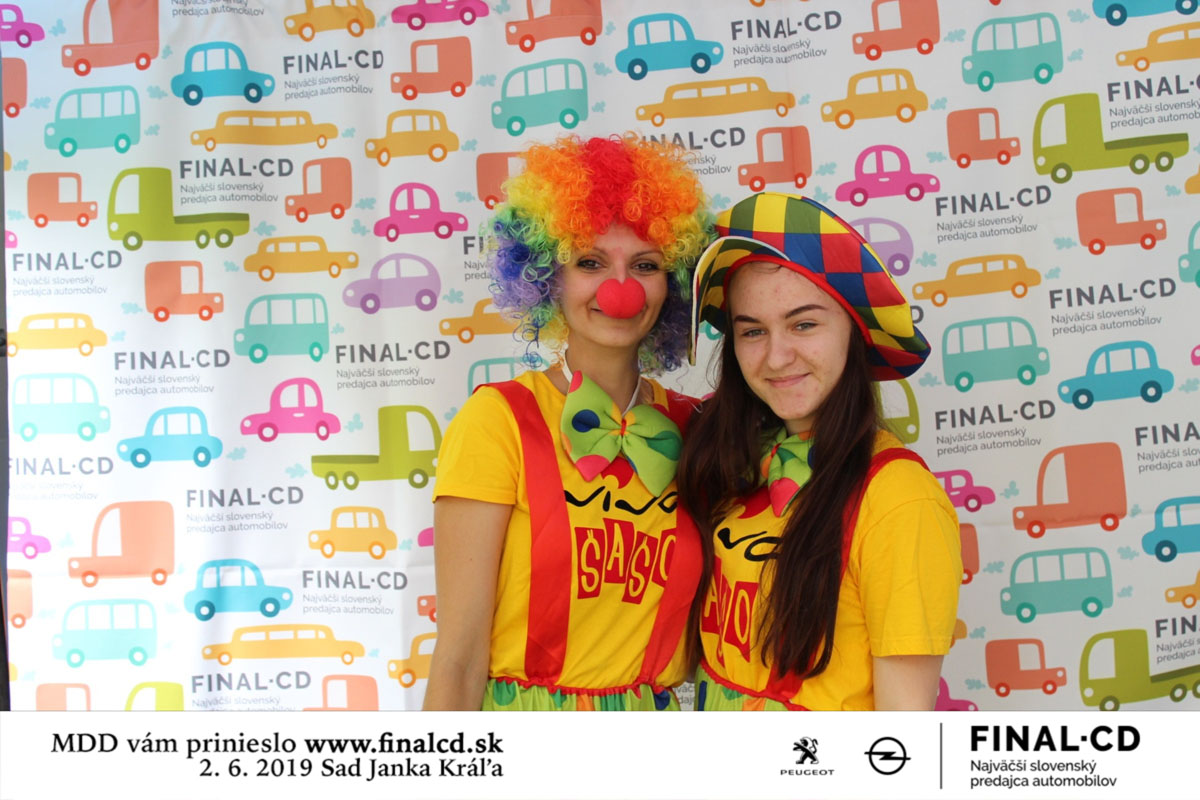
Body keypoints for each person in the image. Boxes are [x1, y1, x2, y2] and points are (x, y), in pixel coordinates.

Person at [424, 135, 713, 711]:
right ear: (546, 277)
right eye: (590, 263)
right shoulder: (498, 420)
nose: (620, 289)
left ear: (674, 283)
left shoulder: (696, 427)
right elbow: (457, 659)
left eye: (646, 265)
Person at [677, 192, 961, 710]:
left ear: (854, 331)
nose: (776, 357)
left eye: (803, 324)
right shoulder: (736, 463)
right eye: (752, 331)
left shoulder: (901, 500)